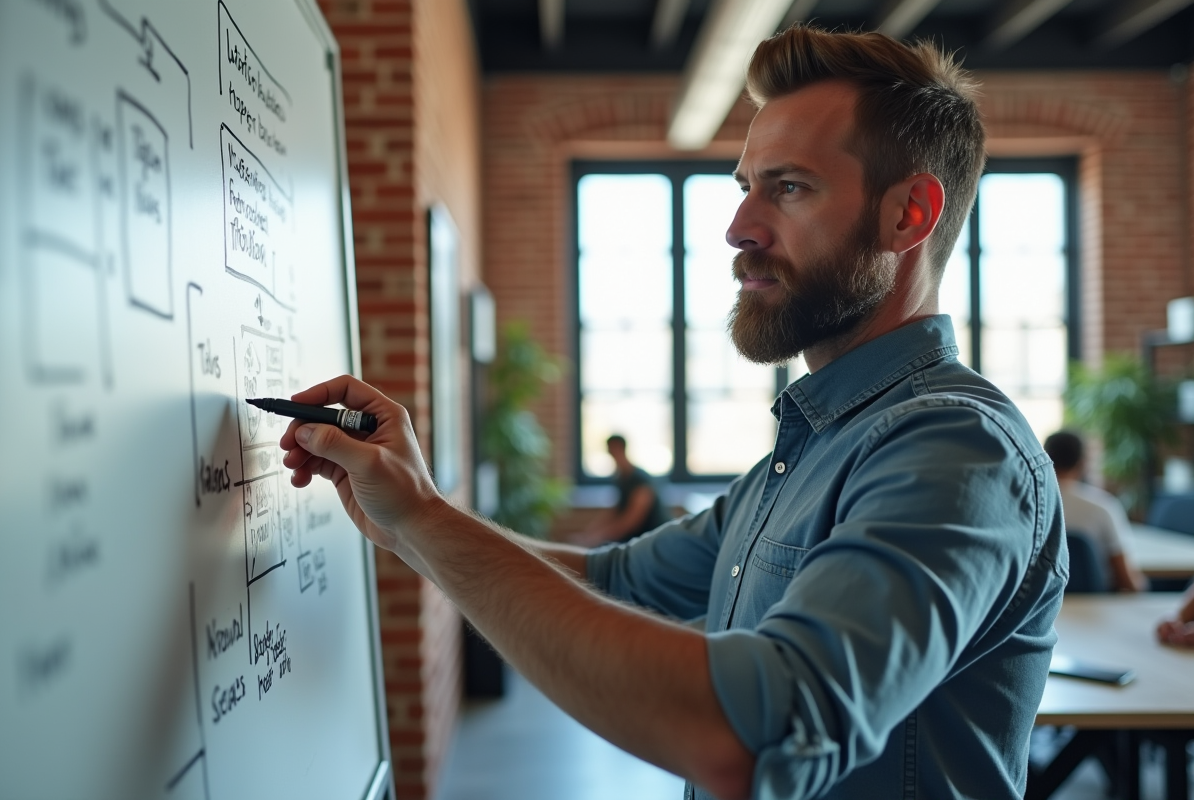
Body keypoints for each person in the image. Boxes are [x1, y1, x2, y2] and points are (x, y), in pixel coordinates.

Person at [280, 25, 1065, 800]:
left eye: (789, 187)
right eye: (745, 187)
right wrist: (412, 520)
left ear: (909, 214)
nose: (738, 228)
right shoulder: (814, 444)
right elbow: (615, 581)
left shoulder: (955, 448)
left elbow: (746, 736)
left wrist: (426, 522)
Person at [1043, 430, 1147, 592]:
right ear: (1082, 463)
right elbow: (1126, 581)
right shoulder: (1103, 506)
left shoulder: (1025, 505)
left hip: (1040, 603)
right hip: (1095, 603)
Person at [576, 434, 671, 546]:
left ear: (620, 448)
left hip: (652, 540)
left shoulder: (640, 480)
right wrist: (588, 534)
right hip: (637, 539)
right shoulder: (621, 478)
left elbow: (631, 521)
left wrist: (598, 538)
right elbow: (615, 512)